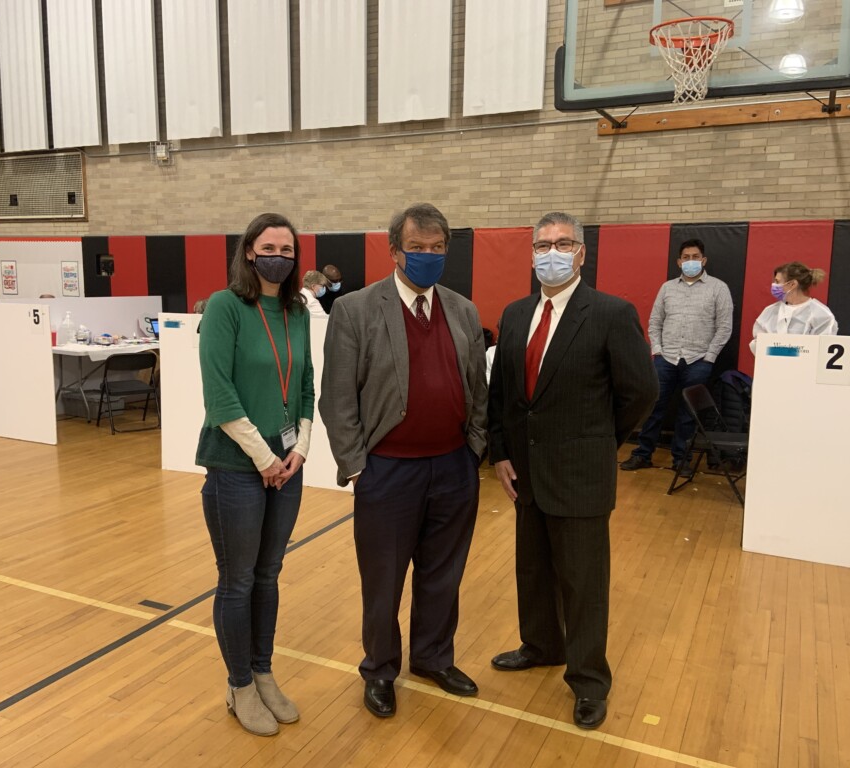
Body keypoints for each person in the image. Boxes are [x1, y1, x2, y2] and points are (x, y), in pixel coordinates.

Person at [488, 212, 657, 731]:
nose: (551, 252)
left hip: (581, 473)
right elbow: (503, 396)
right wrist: (500, 451)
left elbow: (641, 392)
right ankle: (540, 645)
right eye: (542, 245)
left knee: (584, 583)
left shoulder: (610, 312)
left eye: (562, 243)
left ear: (581, 253)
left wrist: (601, 442)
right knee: (533, 569)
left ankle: (588, 680)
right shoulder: (516, 314)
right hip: (526, 472)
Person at [319, 202, 488, 719]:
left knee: (443, 573)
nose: (428, 257)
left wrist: (475, 447)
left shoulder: (463, 310)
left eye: (438, 249)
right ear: (395, 251)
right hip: (388, 469)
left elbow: (478, 390)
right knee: (384, 578)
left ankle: (434, 657)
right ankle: (380, 668)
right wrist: (355, 464)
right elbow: (337, 398)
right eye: (418, 248)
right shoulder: (356, 310)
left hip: (454, 467)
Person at [196, 212, 315, 737]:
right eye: (270, 247)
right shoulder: (226, 307)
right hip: (235, 466)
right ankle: (239, 684)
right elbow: (219, 395)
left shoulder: (298, 309)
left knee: (269, 576)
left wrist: (299, 450)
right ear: (249, 252)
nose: (279, 257)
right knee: (238, 579)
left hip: (287, 465)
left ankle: (264, 673)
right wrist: (263, 459)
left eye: (288, 250)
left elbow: (307, 383)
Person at [619, 239, 733, 477]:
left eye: (696, 256)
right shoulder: (667, 288)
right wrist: (657, 350)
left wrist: (709, 357)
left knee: (688, 413)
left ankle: (681, 460)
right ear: (679, 261)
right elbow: (655, 321)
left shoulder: (718, 288)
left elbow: (724, 327)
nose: (691, 261)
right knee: (653, 407)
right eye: (686, 257)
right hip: (666, 358)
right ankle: (643, 454)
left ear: (704, 260)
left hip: (698, 360)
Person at [750, 261, 837, 354]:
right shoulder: (770, 311)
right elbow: (758, 345)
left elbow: (821, 349)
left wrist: (780, 351)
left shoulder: (821, 315)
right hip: (773, 367)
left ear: (792, 284)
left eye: (777, 282)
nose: (774, 285)